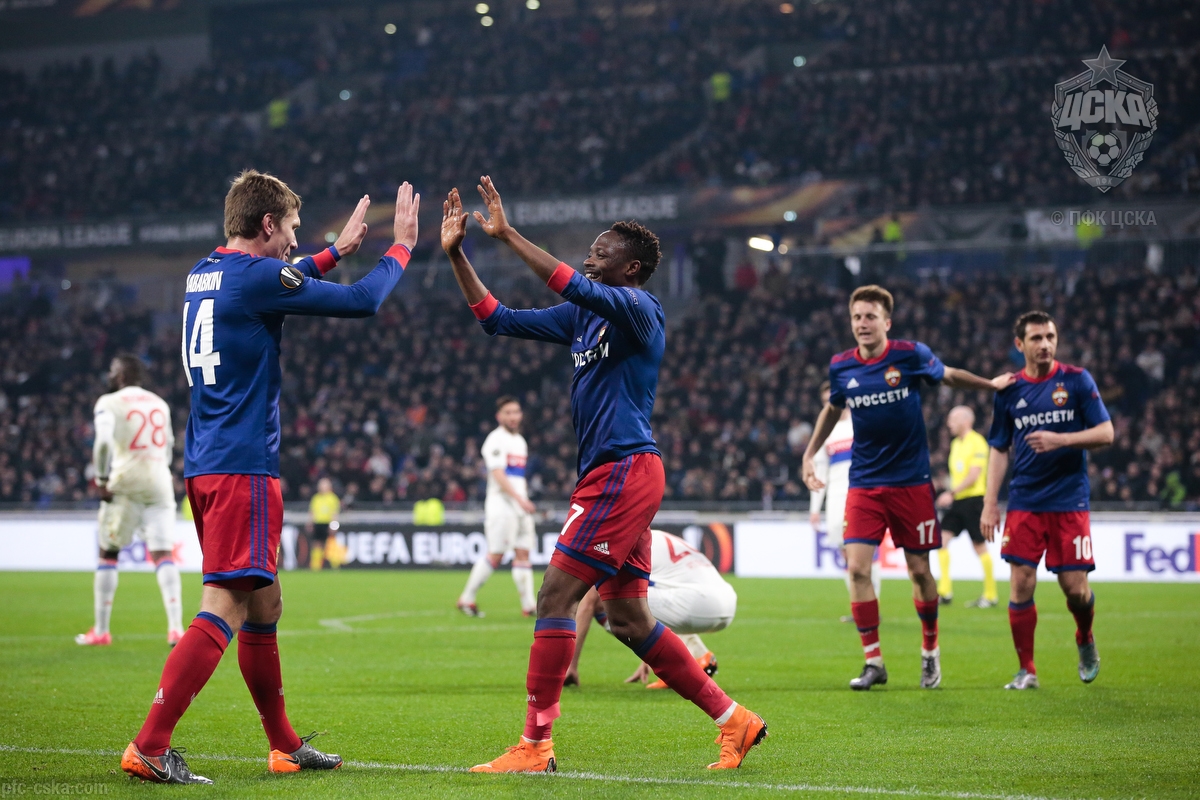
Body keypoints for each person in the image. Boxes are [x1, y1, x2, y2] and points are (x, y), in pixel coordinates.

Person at [441, 180, 766, 773]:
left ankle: (535, 745)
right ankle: (734, 720)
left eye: (602, 250)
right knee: (629, 619)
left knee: (555, 595)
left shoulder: (641, 309)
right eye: (590, 249)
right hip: (613, 472)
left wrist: (507, 235)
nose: (591, 255)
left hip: (623, 469)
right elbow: (496, 319)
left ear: (631, 267)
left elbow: (569, 282)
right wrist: (457, 254)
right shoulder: (582, 318)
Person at [119, 171, 419, 784]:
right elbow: (362, 302)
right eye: (291, 229)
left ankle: (283, 745)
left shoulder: (204, 272)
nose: (295, 241)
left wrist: (335, 252)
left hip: (208, 461)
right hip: (243, 467)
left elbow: (278, 280)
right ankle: (150, 744)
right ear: (266, 224)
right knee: (227, 605)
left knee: (265, 604)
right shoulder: (257, 278)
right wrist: (402, 247)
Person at [802, 285, 1012, 691]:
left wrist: (990, 386)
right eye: (857, 317)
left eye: (870, 316)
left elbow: (948, 375)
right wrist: (810, 453)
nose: (862, 323)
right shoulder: (842, 366)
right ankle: (873, 662)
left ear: (887, 321)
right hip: (865, 483)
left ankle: (930, 649)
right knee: (857, 568)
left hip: (911, 484)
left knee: (919, 571)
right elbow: (833, 408)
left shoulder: (910, 355)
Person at [981, 310, 1113, 690]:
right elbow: (999, 447)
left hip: (1069, 499)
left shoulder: (1076, 380)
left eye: (1050, 337)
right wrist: (990, 502)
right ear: (1019, 344)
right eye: (1036, 338)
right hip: (1024, 500)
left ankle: (1085, 636)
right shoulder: (1009, 390)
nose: (1045, 344)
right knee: (1021, 583)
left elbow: (1106, 433)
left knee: (1076, 590)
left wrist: (1062, 439)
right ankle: (1027, 670)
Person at [76, 355, 183, 648]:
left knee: (108, 552)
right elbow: (169, 446)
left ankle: (101, 630)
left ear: (121, 375)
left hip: (125, 481)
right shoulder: (159, 403)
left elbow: (103, 442)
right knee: (163, 554)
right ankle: (176, 629)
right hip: (159, 481)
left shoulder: (109, 402)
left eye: (113, 370)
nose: (110, 375)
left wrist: (101, 479)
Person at [565, 529, 736, 689]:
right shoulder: (654, 535)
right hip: (727, 601)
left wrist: (570, 667)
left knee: (603, 599)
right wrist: (648, 657)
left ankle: (673, 663)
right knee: (636, 596)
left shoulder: (621, 542)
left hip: (692, 602)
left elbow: (589, 603)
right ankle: (698, 655)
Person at [458, 396, 538, 617]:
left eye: (516, 412)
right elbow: (498, 474)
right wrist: (520, 499)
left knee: (523, 552)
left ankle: (529, 605)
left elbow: (516, 476)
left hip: (521, 506)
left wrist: (523, 499)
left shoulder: (520, 441)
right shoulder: (495, 440)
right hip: (502, 506)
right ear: (499, 416)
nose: (513, 416)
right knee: (496, 554)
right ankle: (466, 598)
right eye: (508, 412)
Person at [808, 381, 880, 612]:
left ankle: (873, 604)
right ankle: (859, 607)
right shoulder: (824, 433)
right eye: (825, 401)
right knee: (844, 552)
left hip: (863, 493)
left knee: (866, 551)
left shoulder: (861, 423)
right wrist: (814, 508)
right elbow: (819, 473)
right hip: (836, 498)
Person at [935, 406, 998, 608]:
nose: (949, 423)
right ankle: (944, 592)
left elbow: (974, 475)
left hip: (973, 500)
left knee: (979, 546)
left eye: (953, 419)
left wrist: (950, 493)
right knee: (942, 540)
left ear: (966, 421)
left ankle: (990, 595)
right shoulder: (955, 444)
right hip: (958, 500)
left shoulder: (977, 442)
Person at [307, 477, 340, 570]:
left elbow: (335, 513)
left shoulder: (333, 498)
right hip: (318, 523)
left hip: (328, 524)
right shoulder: (316, 498)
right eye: (321, 485)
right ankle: (315, 566)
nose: (322, 487)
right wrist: (310, 523)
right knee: (317, 544)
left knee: (330, 544)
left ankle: (334, 565)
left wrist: (333, 525)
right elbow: (312, 512)